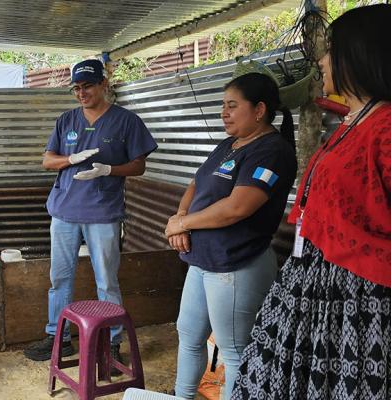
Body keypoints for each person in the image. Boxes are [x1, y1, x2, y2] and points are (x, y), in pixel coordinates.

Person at [232, 5, 391, 399]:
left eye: (331, 49)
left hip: (357, 297)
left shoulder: (386, 127)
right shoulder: (356, 119)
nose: (321, 60)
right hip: (315, 285)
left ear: (363, 52)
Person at [162, 72, 297, 399]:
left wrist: (183, 224)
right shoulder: (228, 144)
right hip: (202, 260)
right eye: (223, 105)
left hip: (235, 264)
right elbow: (197, 184)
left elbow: (237, 207)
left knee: (235, 351)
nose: (224, 112)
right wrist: (182, 217)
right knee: (189, 337)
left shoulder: (272, 150)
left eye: (232, 106)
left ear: (260, 109)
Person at [23, 59, 158, 363]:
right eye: (77, 88)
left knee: (106, 280)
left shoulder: (126, 121)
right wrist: (70, 160)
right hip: (64, 211)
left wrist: (109, 169)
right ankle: (57, 337)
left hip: (103, 212)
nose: (82, 93)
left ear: (103, 85)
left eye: (88, 86)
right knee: (59, 277)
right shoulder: (66, 120)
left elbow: (139, 164)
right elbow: (48, 160)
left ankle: (111, 342)